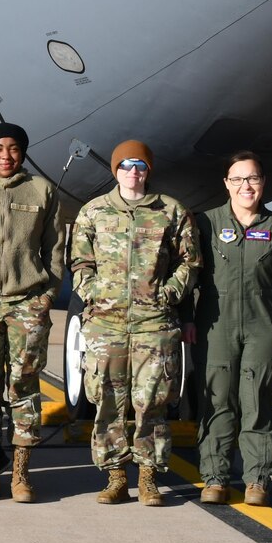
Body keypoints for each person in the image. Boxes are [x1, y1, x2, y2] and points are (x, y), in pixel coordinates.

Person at [69, 140, 198, 505]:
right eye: (126, 165)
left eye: (140, 165)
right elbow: (80, 262)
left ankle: (148, 476)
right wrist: (93, 292)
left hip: (154, 323)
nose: (133, 172)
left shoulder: (171, 211)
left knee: (152, 400)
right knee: (107, 400)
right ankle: (114, 477)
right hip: (105, 323)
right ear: (115, 170)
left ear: (148, 170)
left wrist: (169, 292)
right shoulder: (93, 212)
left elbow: (190, 262)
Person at [190, 151, 272, 507]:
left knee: (258, 404)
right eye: (238, 179)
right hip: (215, 324)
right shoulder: (205, 224)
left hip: (262, 325)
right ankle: (215, 477)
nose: (246, 186)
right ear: (226, 183)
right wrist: (185, 319)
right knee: (216, 402)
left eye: (253, 178)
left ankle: (257, 480)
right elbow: (187, 272)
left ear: (263, 183)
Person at [0, 122, 66, 502]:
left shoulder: (41, 190)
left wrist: (47, 295)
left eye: (14, 148)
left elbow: (54, 248)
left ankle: (21, 475)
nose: (6, 156)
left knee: (23, 387)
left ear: (23, 153)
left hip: (27, 303)